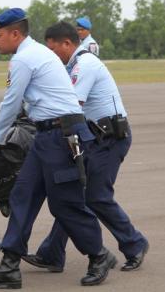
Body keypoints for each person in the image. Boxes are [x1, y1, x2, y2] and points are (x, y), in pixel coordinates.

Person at [0, 9, 109, 289]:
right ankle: (10, 266)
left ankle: (99, 255)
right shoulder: (33, 53)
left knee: (65, 203)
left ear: (15, 34)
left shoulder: (24, 58)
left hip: (62, 136)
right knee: (23, 195)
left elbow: (11, 102)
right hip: (47, 135)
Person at [20, 21, 149, 275]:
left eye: (54, 50)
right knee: (71, 198)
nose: (52, 56)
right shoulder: (70, 66)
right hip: (95, 138)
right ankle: (52, 253)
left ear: (67, 44)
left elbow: (69, 104)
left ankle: (135, 243)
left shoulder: (84, 64)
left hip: (111, 138)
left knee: (96, 197)